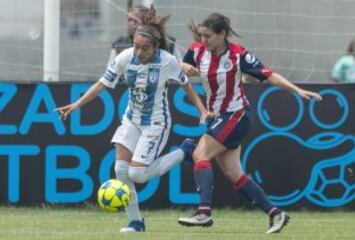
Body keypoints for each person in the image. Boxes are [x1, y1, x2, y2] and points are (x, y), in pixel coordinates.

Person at [55, 6, 207, 233]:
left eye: (145, 48)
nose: (138, 52)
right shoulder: (125, 57)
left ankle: (183, 152)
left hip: (156, 123)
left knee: (137, 174)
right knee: (121, 171)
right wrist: (77, 105)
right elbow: (101, 84)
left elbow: (186, 85)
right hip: (131, 120)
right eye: (136, 46)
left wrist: (202, 111)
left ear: (155, 47)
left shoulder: (166, 61)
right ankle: (136, 222)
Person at [177, 13, 322, 234]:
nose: (203, 40)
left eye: (208, 36)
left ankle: (203, 212)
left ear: (222, 34)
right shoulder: (197, 50)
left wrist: (297, 90)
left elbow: (269, 76)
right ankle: (275, 213)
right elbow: (181, 65)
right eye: (201, 35)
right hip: (219, 118)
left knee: (199, 155)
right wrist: (183, 66)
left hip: (236, 115)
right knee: (234, 174)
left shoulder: (238, 55)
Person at [107, 3, 181, 67]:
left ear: (147, 22)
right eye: (129, 20)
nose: (131, 24)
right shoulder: (119, 45)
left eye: (135, 20)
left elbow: (180, 70)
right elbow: (109, 73)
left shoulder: (169, 44)